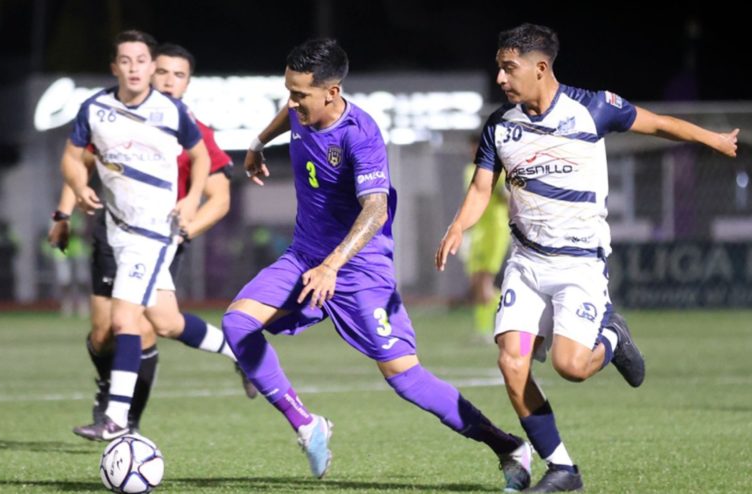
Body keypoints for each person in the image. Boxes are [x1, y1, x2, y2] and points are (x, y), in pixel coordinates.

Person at [436, 23, 739, 492]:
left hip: (579, 264)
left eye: (509, 68)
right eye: (499, 67)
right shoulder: (500, 125)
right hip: (527, 264)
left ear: (541, 68)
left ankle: (613, 336)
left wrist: (713, 140)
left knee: (571, 367)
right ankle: (563, 469)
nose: (500, 78)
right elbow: (481, 189)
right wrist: (459, 225)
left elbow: (659, 124)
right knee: (512, 363)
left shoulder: (593, 108)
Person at [223, 38, 532, 490]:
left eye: (300, 94)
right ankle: (307, 424)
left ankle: (508, 446)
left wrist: (332, 266)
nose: (291, 103)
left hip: (359, 269)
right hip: (304, 256)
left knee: (406, 379)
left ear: (332, 92)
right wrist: (257, 143)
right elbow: (288, 115)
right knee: (237, 324)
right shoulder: (301, 109)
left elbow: (376, 209)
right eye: (288, 92)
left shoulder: (360, 134)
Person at [50, 41, 258, 439]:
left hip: (157, 236)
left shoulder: (189, 127)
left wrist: (186, 228)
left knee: (130, 323)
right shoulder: (116, 114)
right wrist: (63, 213)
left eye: (179, 75)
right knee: (145, 326)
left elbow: (220, 198)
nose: (168, 81)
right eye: (162, 71)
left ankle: (119, 417)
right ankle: (241, 353)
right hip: (113, 231)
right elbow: (79, 162)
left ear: (188, 83)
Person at [460, 134, 510, 340]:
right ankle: (483, 330)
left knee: (484, 282)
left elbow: (507, 198)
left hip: (494, 231)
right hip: (477, 233)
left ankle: (511, 316)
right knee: (476, 283)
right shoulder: (469, 170)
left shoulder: (496, 170)